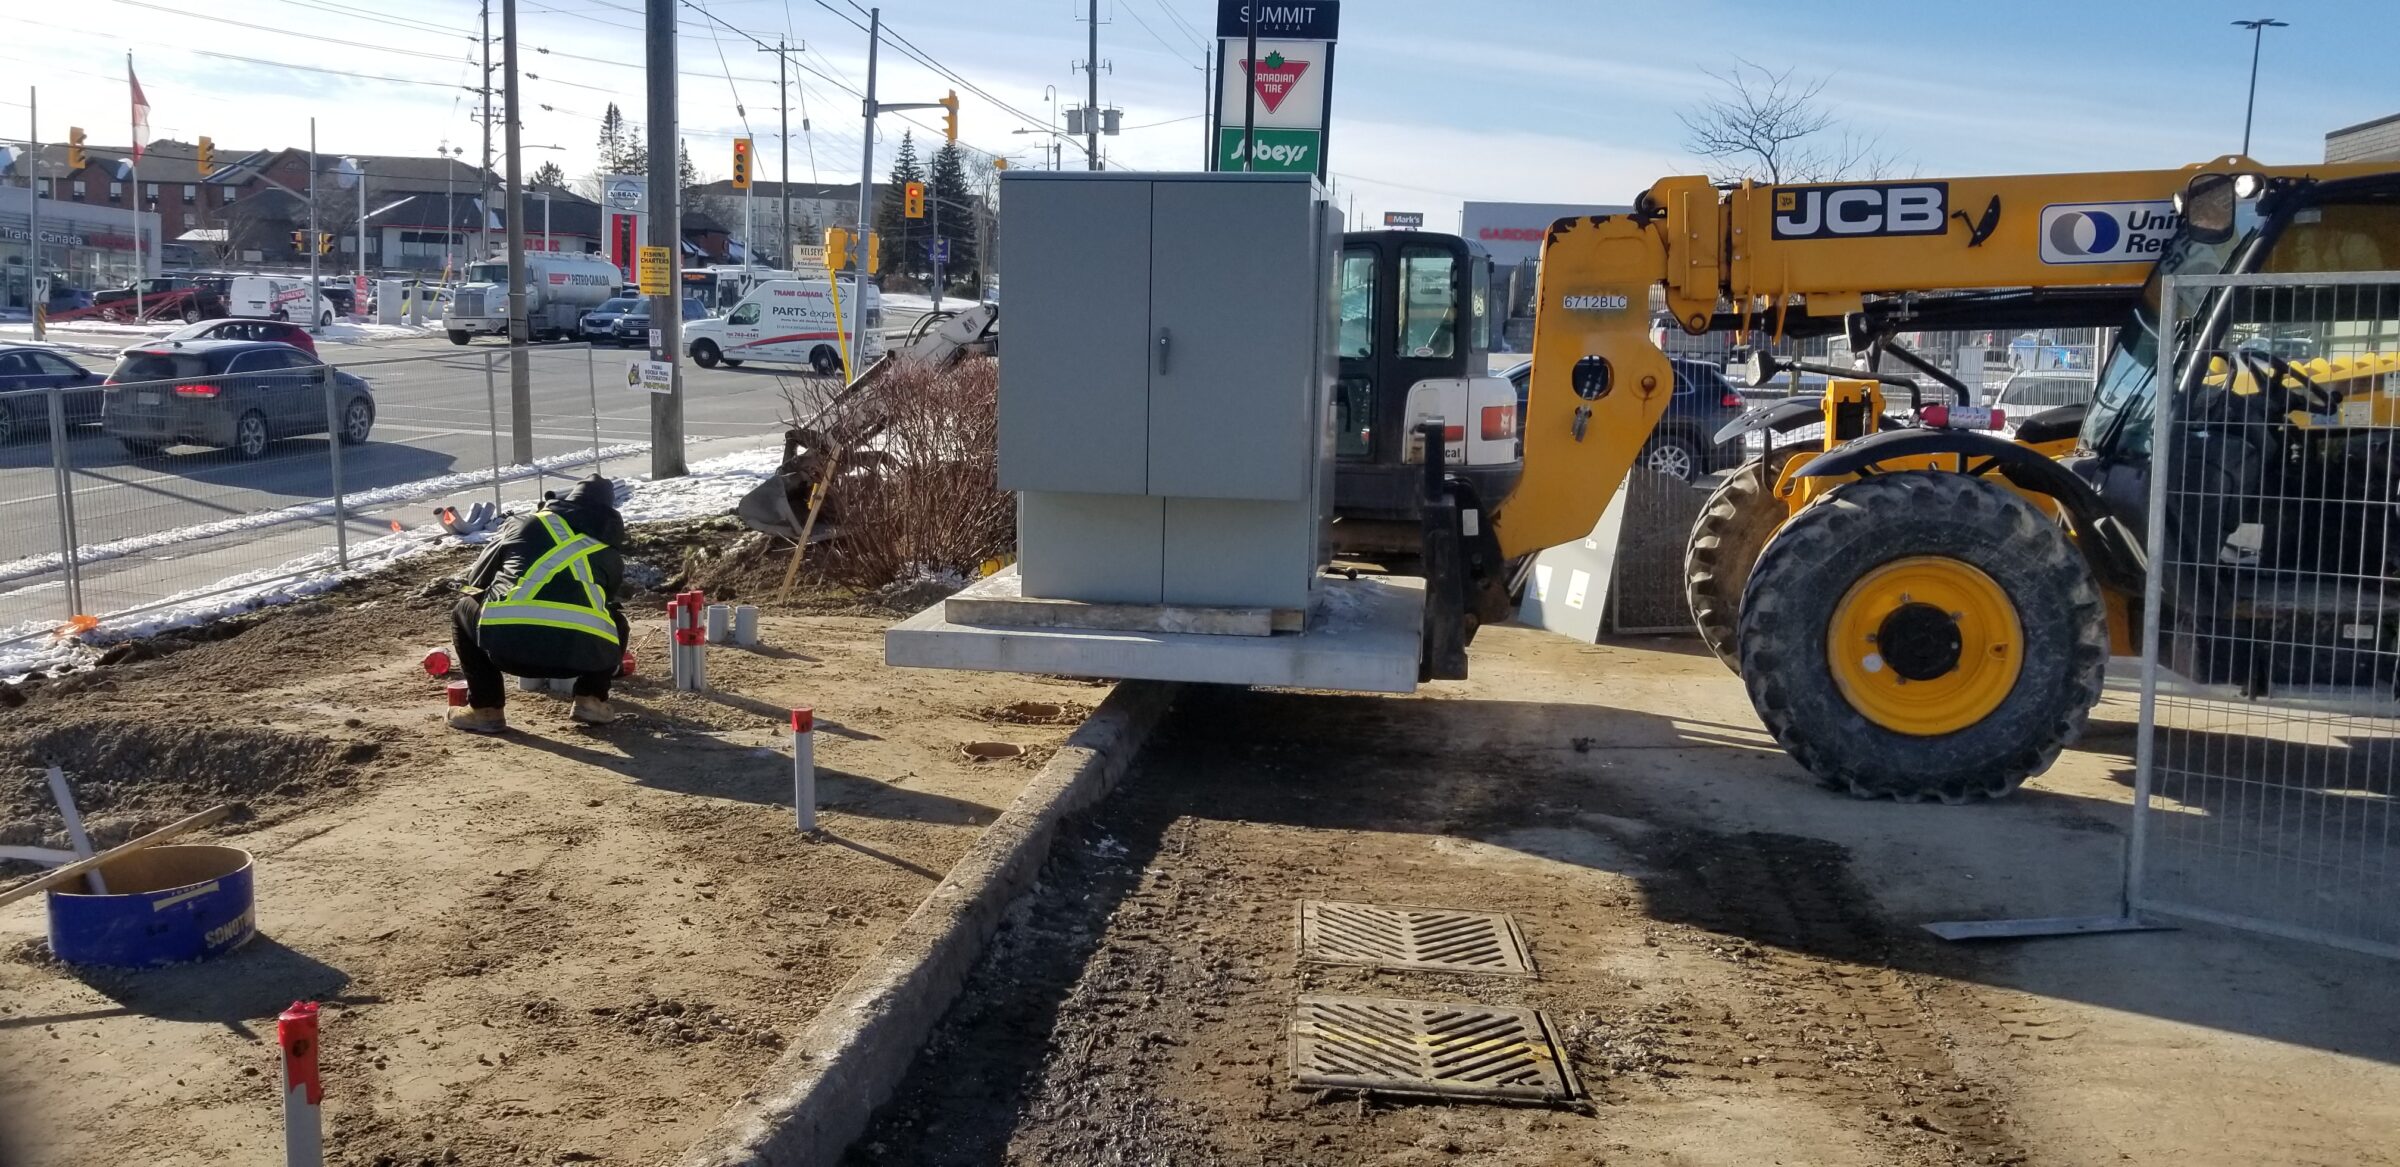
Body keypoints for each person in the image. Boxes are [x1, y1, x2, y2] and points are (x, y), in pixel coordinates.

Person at [448, 476, 629, 733]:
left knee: (462, 610)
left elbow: (478, 578)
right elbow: (604, 601)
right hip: (578, 660)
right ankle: (591, 699)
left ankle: (485, 708)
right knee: (616, 621)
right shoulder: (609, 553)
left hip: (507, 651)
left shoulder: (524, 524)